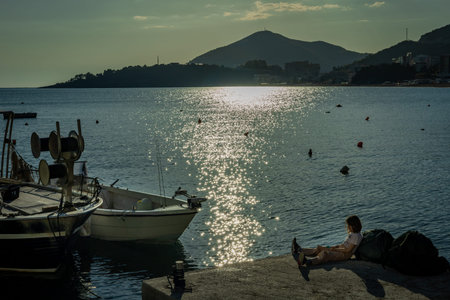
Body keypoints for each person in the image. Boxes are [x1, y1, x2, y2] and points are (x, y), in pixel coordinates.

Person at [292, 215, 363, 266]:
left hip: (345, 255)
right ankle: (299, 249)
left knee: (325, 253)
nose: (347, 227)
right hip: (342, 250)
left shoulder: (356, 236)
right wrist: (335, 247)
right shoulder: (352, 234)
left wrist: (335, 250)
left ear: (354, 225)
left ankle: (309, 261)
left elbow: (348, 250)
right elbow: (344, 245)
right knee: (320, 248)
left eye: (349, 225)